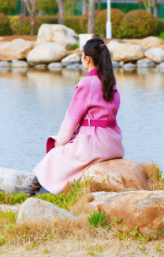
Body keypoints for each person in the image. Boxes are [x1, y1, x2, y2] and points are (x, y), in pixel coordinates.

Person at [30, 37, 123, 195]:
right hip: (113, 143)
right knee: (67, 146)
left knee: (55, 152)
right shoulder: (110, 83)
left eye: (82, 56)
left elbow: (71, 119)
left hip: (95, 143)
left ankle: (30, 191)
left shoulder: (88, 84)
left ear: (87, 59)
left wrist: (60, 142)